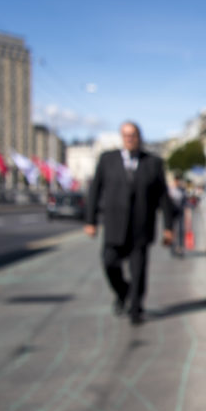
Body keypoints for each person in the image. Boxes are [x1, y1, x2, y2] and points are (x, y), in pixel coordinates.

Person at [84, 121, 173, 324]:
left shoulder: (153, 162)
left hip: (140, 229)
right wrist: (90, 221)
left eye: (133, 135)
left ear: (139, 137)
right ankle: (123, 293)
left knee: (139, 271)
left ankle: (136, 309)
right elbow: (95, 191)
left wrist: (168, 227)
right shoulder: (108, 160)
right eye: (126, 135)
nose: (130, 138)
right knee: (109, 263)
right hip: (114, 227)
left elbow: (163, 197)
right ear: (121, 138)